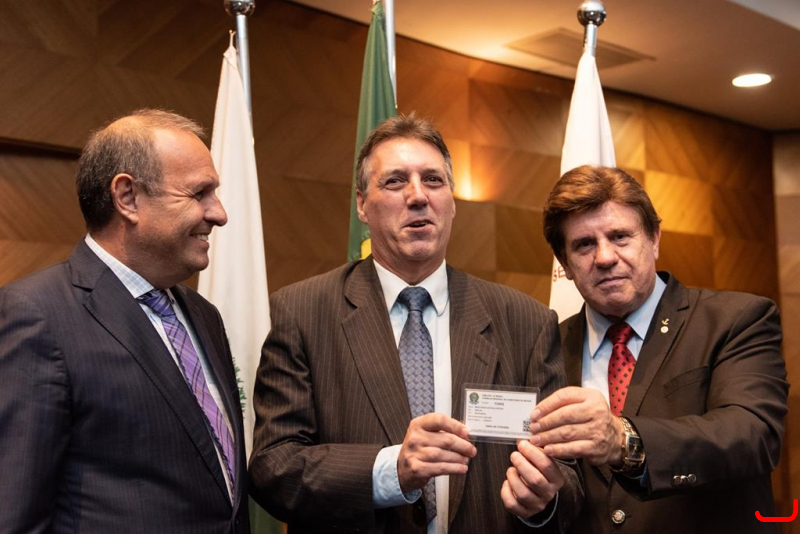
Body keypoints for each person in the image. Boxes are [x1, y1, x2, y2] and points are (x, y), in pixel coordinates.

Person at [249, 114, 582, 533]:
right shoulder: (303, 312)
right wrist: (390, 471)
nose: (418, 196)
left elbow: (567, 476)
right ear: (362, 204)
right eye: (394, 182)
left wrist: (542, 502)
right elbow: (273, 467)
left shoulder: (526, 322)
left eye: (433, 180)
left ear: (452, 202)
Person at [0, 109, 249, 533]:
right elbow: (15, 511)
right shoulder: (37, 315)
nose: (219, 214)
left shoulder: (203, 316)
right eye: (199, 193)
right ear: (128, 197)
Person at [533, 165, 788, 533]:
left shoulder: (736, 319)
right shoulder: (546, 346)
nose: (604, 257)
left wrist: (624, 440)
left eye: (620, 236)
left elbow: (753, 435)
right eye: (584, 244)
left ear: (654, 239)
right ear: (565, 265)